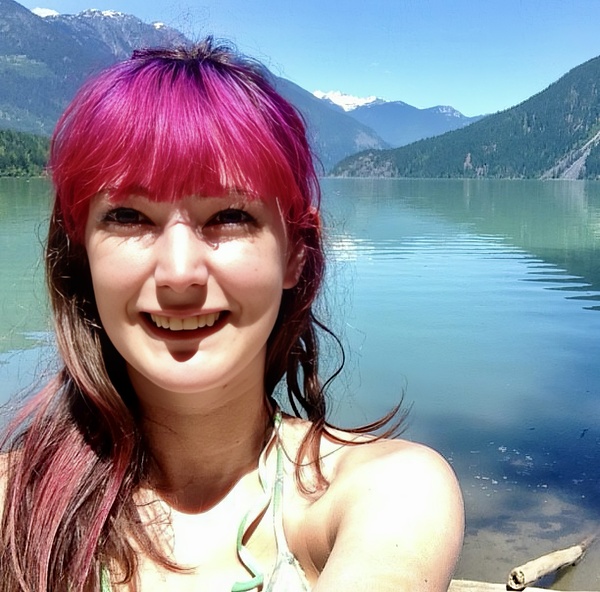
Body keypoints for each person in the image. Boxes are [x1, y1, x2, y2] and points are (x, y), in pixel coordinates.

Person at [0, 39, 463, 591]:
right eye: (128, 216)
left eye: (228, 215)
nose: (178, 272)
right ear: (82, 256)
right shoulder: (12, 505)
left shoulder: (386, 491)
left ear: (296, 254)